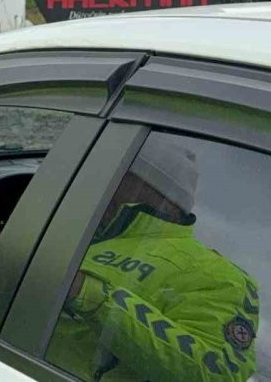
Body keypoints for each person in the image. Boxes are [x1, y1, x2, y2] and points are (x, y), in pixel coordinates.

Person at [48, 138, 260, 381]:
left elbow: (217, 373)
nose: (107, 185)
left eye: (124, 176)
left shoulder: (218, 275)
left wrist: (88, 294)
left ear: (169, 201)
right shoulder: (80, 231)